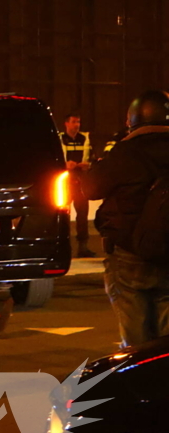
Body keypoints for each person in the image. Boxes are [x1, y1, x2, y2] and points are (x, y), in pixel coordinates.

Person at [84, 90, 169, 347]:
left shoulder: (125, 152)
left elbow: (90, 189)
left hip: (128, 254)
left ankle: (141, 381)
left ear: (132, 119)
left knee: (135, 342)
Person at [60, 113, 95, 257]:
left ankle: (83, 247)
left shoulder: (84, 138)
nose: (77, 125)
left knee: (82, 214)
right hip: (64, 180)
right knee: (62, 214)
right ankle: (62, 246)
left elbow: (93, 157)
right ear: (66, 124)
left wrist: (88, 164)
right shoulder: (60, 138)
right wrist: (64, 165)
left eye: (78, 122)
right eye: (74, 122)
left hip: (81, 179)